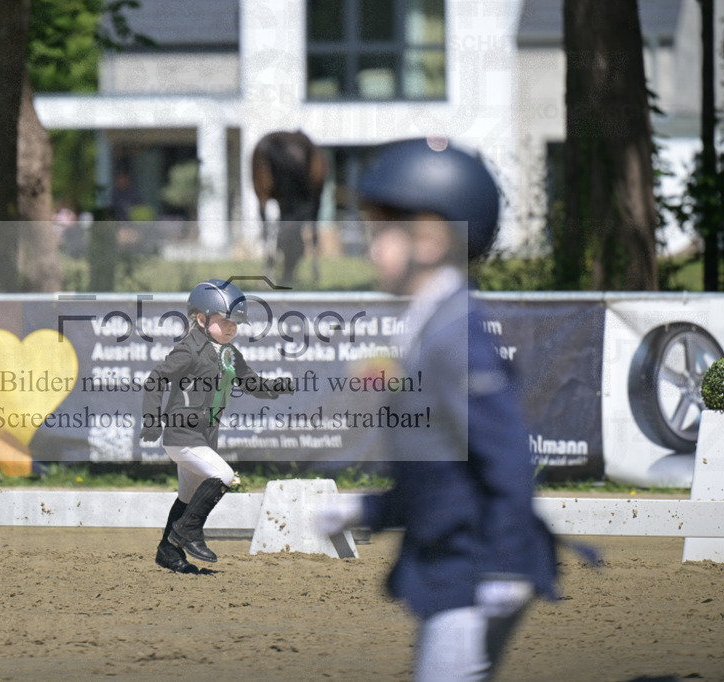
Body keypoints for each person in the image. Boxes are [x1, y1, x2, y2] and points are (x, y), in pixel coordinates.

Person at [318, 138, 559, 681]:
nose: (369, 247)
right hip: (454, 562)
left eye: (380, 233)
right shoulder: (431, 325)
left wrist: (506, 561)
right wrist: (370, 511)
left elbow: (506, 456)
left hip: (476, 566)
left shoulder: (456, 337)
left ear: (429, 240)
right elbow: (445, 467)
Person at [141, 279, 294, 573]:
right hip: (182, 433)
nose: (231, 328)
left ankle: (167, 551)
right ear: (201, 319)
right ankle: (188, 533)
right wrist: (151, 420)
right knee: (223, 475)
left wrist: (275, 386)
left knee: (188, 496)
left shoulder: (229, 354)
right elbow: (155, 379)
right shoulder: (189, 350)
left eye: (236, 324)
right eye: (225, 321)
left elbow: (250, 383)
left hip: (204, 435)